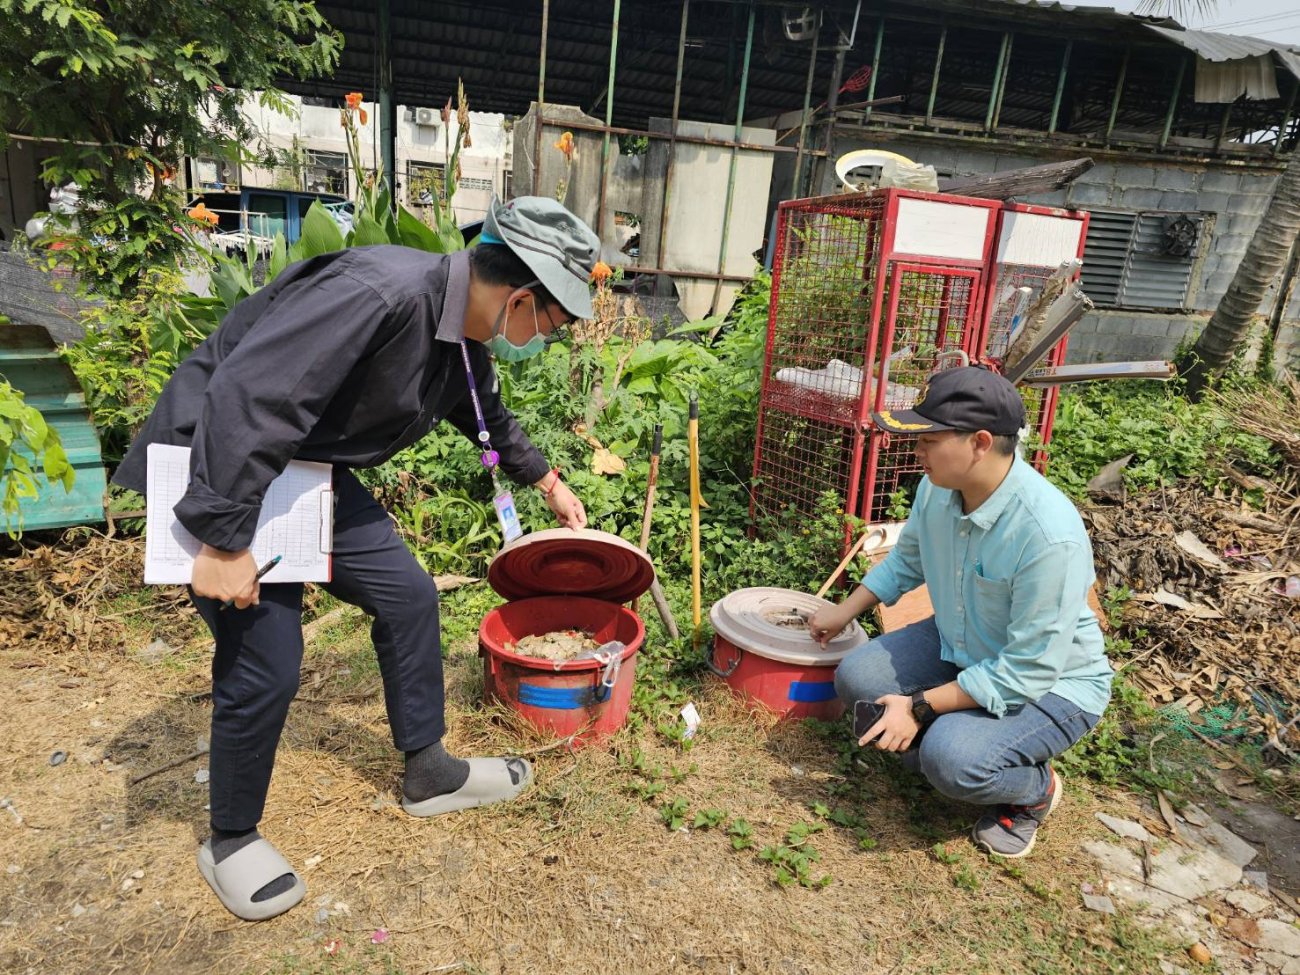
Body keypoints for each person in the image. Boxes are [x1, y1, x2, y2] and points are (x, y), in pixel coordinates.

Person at [114, 196, 600, 920]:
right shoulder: (379, 293)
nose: (546, 339)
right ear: (522, 298)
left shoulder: (461, 328)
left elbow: (484, 412)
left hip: (306, 473)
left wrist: (549, 481)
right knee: (267, 656)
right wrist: (221, 536)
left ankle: (429, 771)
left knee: (408, 593)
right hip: (223, 459)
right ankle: (231, 835)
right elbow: (252, 393)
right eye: (552, 326)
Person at [809, 366, 1111, 859]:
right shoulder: (938, 488)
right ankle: (939, 740)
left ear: (981, 443)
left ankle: (1035, 789)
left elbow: (1028, 669)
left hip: (1052, 685)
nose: (917, 449)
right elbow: (910, 558)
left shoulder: (1047, 535)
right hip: (964, 643)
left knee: (951, 758)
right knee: (858, 676)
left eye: (929, 437)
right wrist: (845, 611)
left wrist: (920, 706)